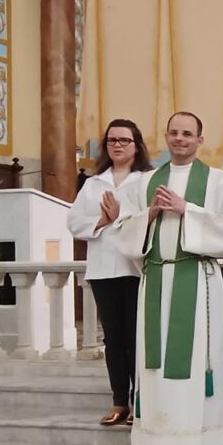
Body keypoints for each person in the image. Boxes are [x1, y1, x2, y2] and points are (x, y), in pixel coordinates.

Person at [116, 111, 223, 445]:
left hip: (196, 279)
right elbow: (124, 230)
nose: (180, 139)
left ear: (200, 140)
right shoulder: (143, 185)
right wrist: (151, 215)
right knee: (153, 363)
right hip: (156, 280)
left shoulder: (219, 183)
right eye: (173, 133)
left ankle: (198, 441)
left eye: (188, 134)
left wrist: (187, 209)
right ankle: (155, 441)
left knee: (193, 366)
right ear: (166, 137)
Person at [67, 119, 152, 427]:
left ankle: (141, 401)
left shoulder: (147, 180)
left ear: (137, 145)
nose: (117, 145)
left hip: (135, 269)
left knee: (137, 337)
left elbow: (151, 219)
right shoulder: (93, 183)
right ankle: (120, 402)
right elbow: (74, 223)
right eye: (112, 140)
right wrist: (101, 221)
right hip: (103, 270)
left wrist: (120, 217)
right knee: (114, 339)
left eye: (124, 140)